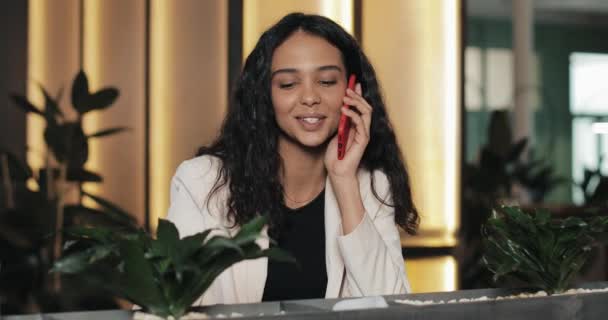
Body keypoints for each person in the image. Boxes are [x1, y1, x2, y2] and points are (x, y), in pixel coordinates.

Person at [167, 12, 419, 305]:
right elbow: (176, 305)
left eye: (326, 81)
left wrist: (344, 181)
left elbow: (393, 307)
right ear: (264, 95)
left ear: (352, 91)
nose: (310, 97)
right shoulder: (202, 181)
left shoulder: (370, 185)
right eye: (288, 84)